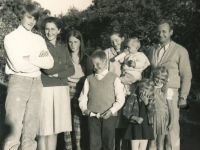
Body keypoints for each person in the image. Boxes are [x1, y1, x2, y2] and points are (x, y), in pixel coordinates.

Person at [3, 3, 54, 150]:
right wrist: (39, 61)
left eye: (35, 18)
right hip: (18, 82)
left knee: (31, 128)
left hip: (37, 83)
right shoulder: (10, 38)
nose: (32, 21)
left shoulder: (38, 39)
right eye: (29, 17)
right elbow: (18, 66)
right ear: (21, 16)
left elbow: (49, 63)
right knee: (13, 127)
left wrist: (29, 58)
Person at [148, 18, 192, 150]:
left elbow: (186, 75)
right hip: (154, 94)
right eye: (158, 32)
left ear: (171, 32)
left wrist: (183, 97)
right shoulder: (152, 50)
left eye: (164, 31)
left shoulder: (180, 50)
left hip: (171, 94)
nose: (160, 34)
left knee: (171, 126)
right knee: (155, 125)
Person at [37, 17, 75, 150]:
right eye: (47, 29)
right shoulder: (40, 45)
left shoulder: (63, 48)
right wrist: (61, 68)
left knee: (55, 128)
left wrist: (58, 73)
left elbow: (72, 69)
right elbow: (47, 69)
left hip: (61, 89)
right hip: (46, 89)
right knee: (43, 129)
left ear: (59, 30)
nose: (49, 32)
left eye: (53, 29)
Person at [78, 50, 125, 150]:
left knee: (108, 144)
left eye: (97, 64)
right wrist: (85, 110)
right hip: (92, 117)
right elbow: (82, 97)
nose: (95, 67)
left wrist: (111, 111)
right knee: (94, 144)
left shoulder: (114, 78)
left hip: (109, 117)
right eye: (93, 64)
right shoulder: (89, 79)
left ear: (105, 62)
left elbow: (120, 99)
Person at [64, 30, 93, 150]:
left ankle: (79, 147)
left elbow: (90, 77)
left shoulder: (86, 58)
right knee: (65, 121)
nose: (73, 45)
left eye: (75, 42)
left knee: (78, 121)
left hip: (80, 89)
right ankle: (68, 147)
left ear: (80, 42)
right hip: (65, 88)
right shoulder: (64, 57)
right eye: (70, 42)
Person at [104, 25, 129, 150]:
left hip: (128, 92)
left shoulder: (130, 52)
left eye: (117, 40)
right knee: (114, 123)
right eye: (112, 41)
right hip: (113, 92)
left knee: (126, 122)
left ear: (123, 39)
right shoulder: (107, 53)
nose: (114, 43)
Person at [123, 79, 155, 150]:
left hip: (145, 127)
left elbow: (152, 113)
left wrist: (147, 103)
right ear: (139, 88)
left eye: (147, 90)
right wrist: (135, 118)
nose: (144, 91)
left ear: (150, 91)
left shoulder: (150, 100)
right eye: (142, 89)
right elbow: (125, 111)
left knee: (143, 148)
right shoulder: (132, 98)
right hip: (134, 126)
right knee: (134, 148)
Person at [148, 66, 174, 150]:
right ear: (153, 76)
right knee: (151, 143)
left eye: (162, 79)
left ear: (165, 80)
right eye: (157, 78)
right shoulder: (149, 88)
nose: (159, 81)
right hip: (151, 119)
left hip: (163, 120)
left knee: (160, 144)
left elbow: (170, 108)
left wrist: (171, 122)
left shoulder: (167, 90)